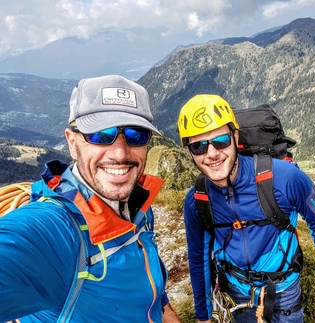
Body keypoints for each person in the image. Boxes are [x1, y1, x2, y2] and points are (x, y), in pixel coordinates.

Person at [0, 75, 181, 323]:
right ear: (72, 142)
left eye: (136, 134)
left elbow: (154, 297)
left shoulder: (139, 205)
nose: (120, 152)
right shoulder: (56, 230)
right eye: (100, 134)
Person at [177, 94, 315, 323]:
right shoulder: (197, 200)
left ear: (235, 137)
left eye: (221, 141)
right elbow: (198, 257)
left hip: (284, 288)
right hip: (235, 290)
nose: (212, 154)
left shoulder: (284, 178)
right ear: (189, 152)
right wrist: (203, 314)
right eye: (198, 146)